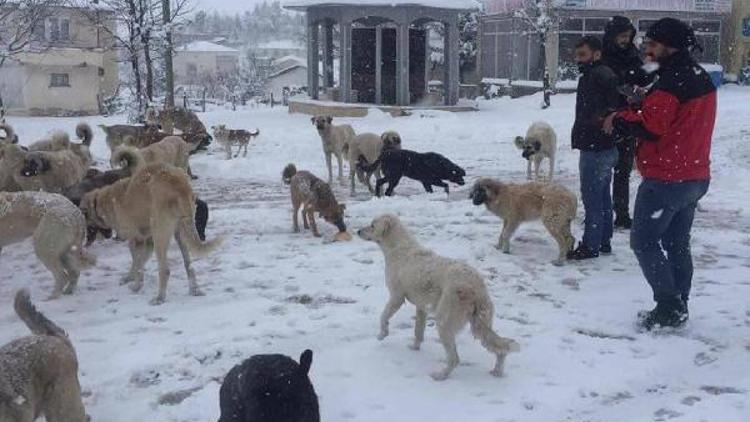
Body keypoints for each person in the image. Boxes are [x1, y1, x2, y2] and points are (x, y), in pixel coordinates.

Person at [604, 18, 716, 330]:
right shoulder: (697, 76)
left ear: (671, 46)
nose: (646, 48)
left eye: (653, 44)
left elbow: (652, 128)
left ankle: (668, 307)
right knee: (678, 243)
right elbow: (674, 117)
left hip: (667, 178)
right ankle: (680, 303)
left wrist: (619, 119)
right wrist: (643, 102)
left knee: (643, 241)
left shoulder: (671, 82)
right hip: (695, 175)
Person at [567, 36, 621, 261]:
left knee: (592, 198)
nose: (578, 59)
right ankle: (603, 239)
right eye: (577, 55)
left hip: (595, 147)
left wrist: (600, 122)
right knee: (602, 197)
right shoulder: (601, 74)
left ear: (596, 54)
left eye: (583, 55)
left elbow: (609, 107)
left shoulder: (597, 77)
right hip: (603, 146)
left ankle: (591, 244)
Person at [601, 16, 655, 230]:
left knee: (623, 170)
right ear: (612, 35)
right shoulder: (603, 55)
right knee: (603, 171)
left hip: (629, 116)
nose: (625, 40)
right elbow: (602, 82)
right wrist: (621, 88)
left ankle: (621, 214)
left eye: (628, 36)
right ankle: (600, 214)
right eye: (621, 36)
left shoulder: (632, 54)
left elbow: (642, 76)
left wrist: (641, 89)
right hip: (606, 117)